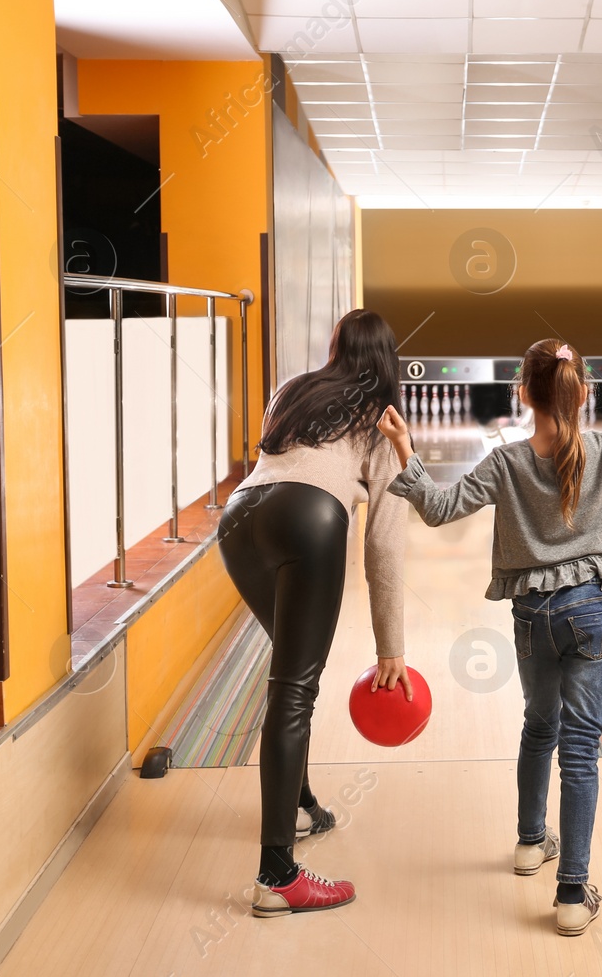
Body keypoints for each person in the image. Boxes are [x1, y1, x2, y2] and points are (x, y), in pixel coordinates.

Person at [377, 340, 602, 935]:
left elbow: (437, 508)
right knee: (580, 750)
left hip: (533, 614)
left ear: (522, 394)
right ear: (583, 392)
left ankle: (531, 843)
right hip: (594, 609)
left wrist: (405, 446)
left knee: (539, 726)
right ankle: (571, 895)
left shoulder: (505, 463)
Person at [218, 309, 415, 917]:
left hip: (240, 519)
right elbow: (384, 539)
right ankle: (277, 875)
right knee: (294, 690)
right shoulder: (383, 418)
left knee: (289, 678)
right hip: (309, 521)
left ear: (335, 347)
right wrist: (392, 647)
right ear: (388, 360)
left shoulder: (292, 390)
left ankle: (300, 803)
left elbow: (275, 460)